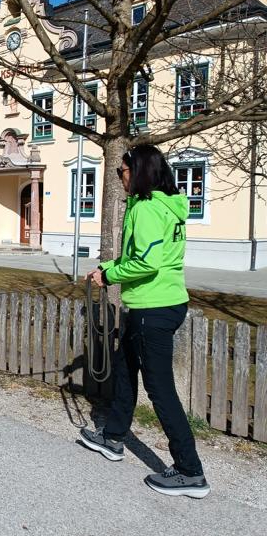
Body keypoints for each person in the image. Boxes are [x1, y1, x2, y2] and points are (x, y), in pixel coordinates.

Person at [80, 144, 209, 499]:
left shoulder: (148, 207)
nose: (119, 178)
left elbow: (147, 263)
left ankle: (190, 470)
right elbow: (143, 255)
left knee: (160, 389)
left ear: (138, 172)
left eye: (122, 171)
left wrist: (110, 276)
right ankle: (113, 437)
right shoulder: (163, 204)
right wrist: (108, 267)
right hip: (159, 302)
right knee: (124, 368)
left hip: (153, 307)